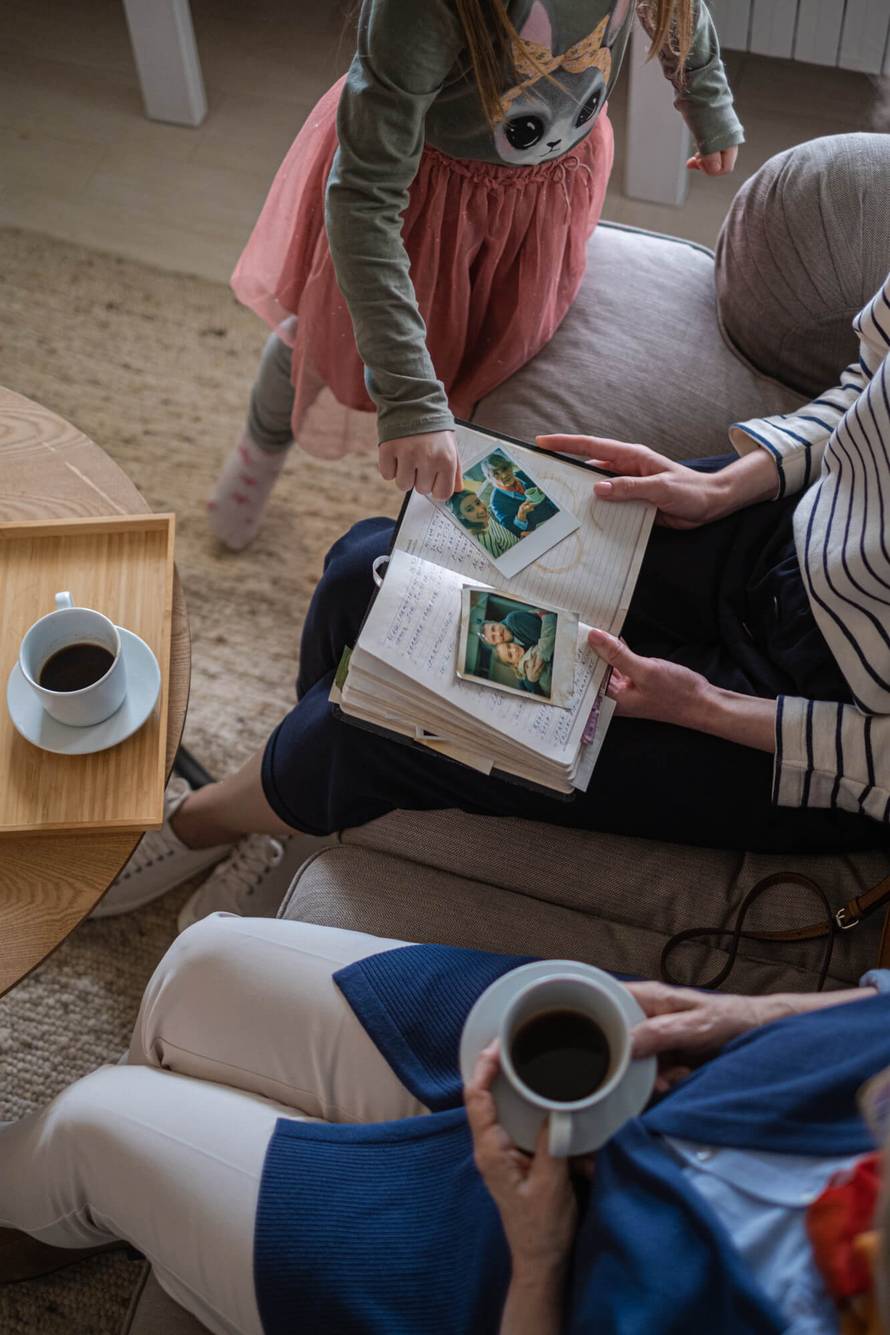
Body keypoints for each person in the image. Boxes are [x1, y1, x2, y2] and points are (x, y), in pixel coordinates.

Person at [1, 915, 889, 1334]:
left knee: (88, 1125)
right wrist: (731, 1013)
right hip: (636, 1073)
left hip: (514, 1275)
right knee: (199, 964)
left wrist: (539, 1259)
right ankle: (105, 1217)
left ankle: (57, 1210)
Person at [208, 0, 742, 549]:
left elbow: (677, 10)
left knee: (492, 351)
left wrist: (703, 90)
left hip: (540, 204)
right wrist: (411, 398)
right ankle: (261, 449)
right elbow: (363, 201)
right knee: (323, 341)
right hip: (423, 206)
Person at [482, 453, 559, 534]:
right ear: (490, 479)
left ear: (510, 466)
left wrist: (548, 490)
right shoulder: (496, 501)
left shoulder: (525, 474)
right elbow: (512, 531)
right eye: (496, 474)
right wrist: (521, 515)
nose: (504, 475)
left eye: (504, 468)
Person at [449, 489, 520, 559]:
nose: (481, 510)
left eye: (478, 503)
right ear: (461, 516)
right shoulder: (482, 538)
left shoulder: (487, 519)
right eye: (470, 509)